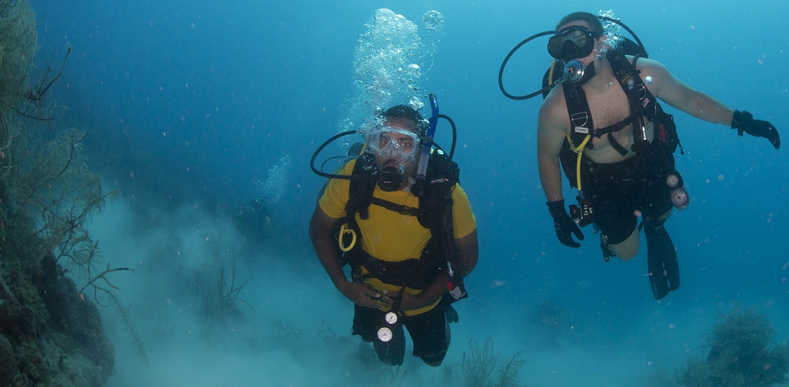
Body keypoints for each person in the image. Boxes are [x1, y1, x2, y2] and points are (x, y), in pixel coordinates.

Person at [537, 12, 780, 300]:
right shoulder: (556, 108)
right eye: (560, 47)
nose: (570, 55)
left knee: (663, 211)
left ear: (602, 42)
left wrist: (739, 120)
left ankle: (653, 226)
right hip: (604, 183)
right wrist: (557, 212)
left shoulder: (644, 74)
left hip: (651, 162)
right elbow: (547, 155)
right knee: (627, 253)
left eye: (578, 41)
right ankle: (614, 237)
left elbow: (689, 99)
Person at [309, 105, 478, 366]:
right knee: (386, 358)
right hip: (369, 293)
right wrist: (343, 285)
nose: (391, 154)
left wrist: (423, 299)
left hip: (424, 298)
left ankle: (445, 312)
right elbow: (319, 227)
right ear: (371, 143)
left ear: (421, 149)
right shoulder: (352, 177)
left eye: (404, 143)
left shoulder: (446, 194)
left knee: (434, 359)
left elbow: (468, 257)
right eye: (383, 140)